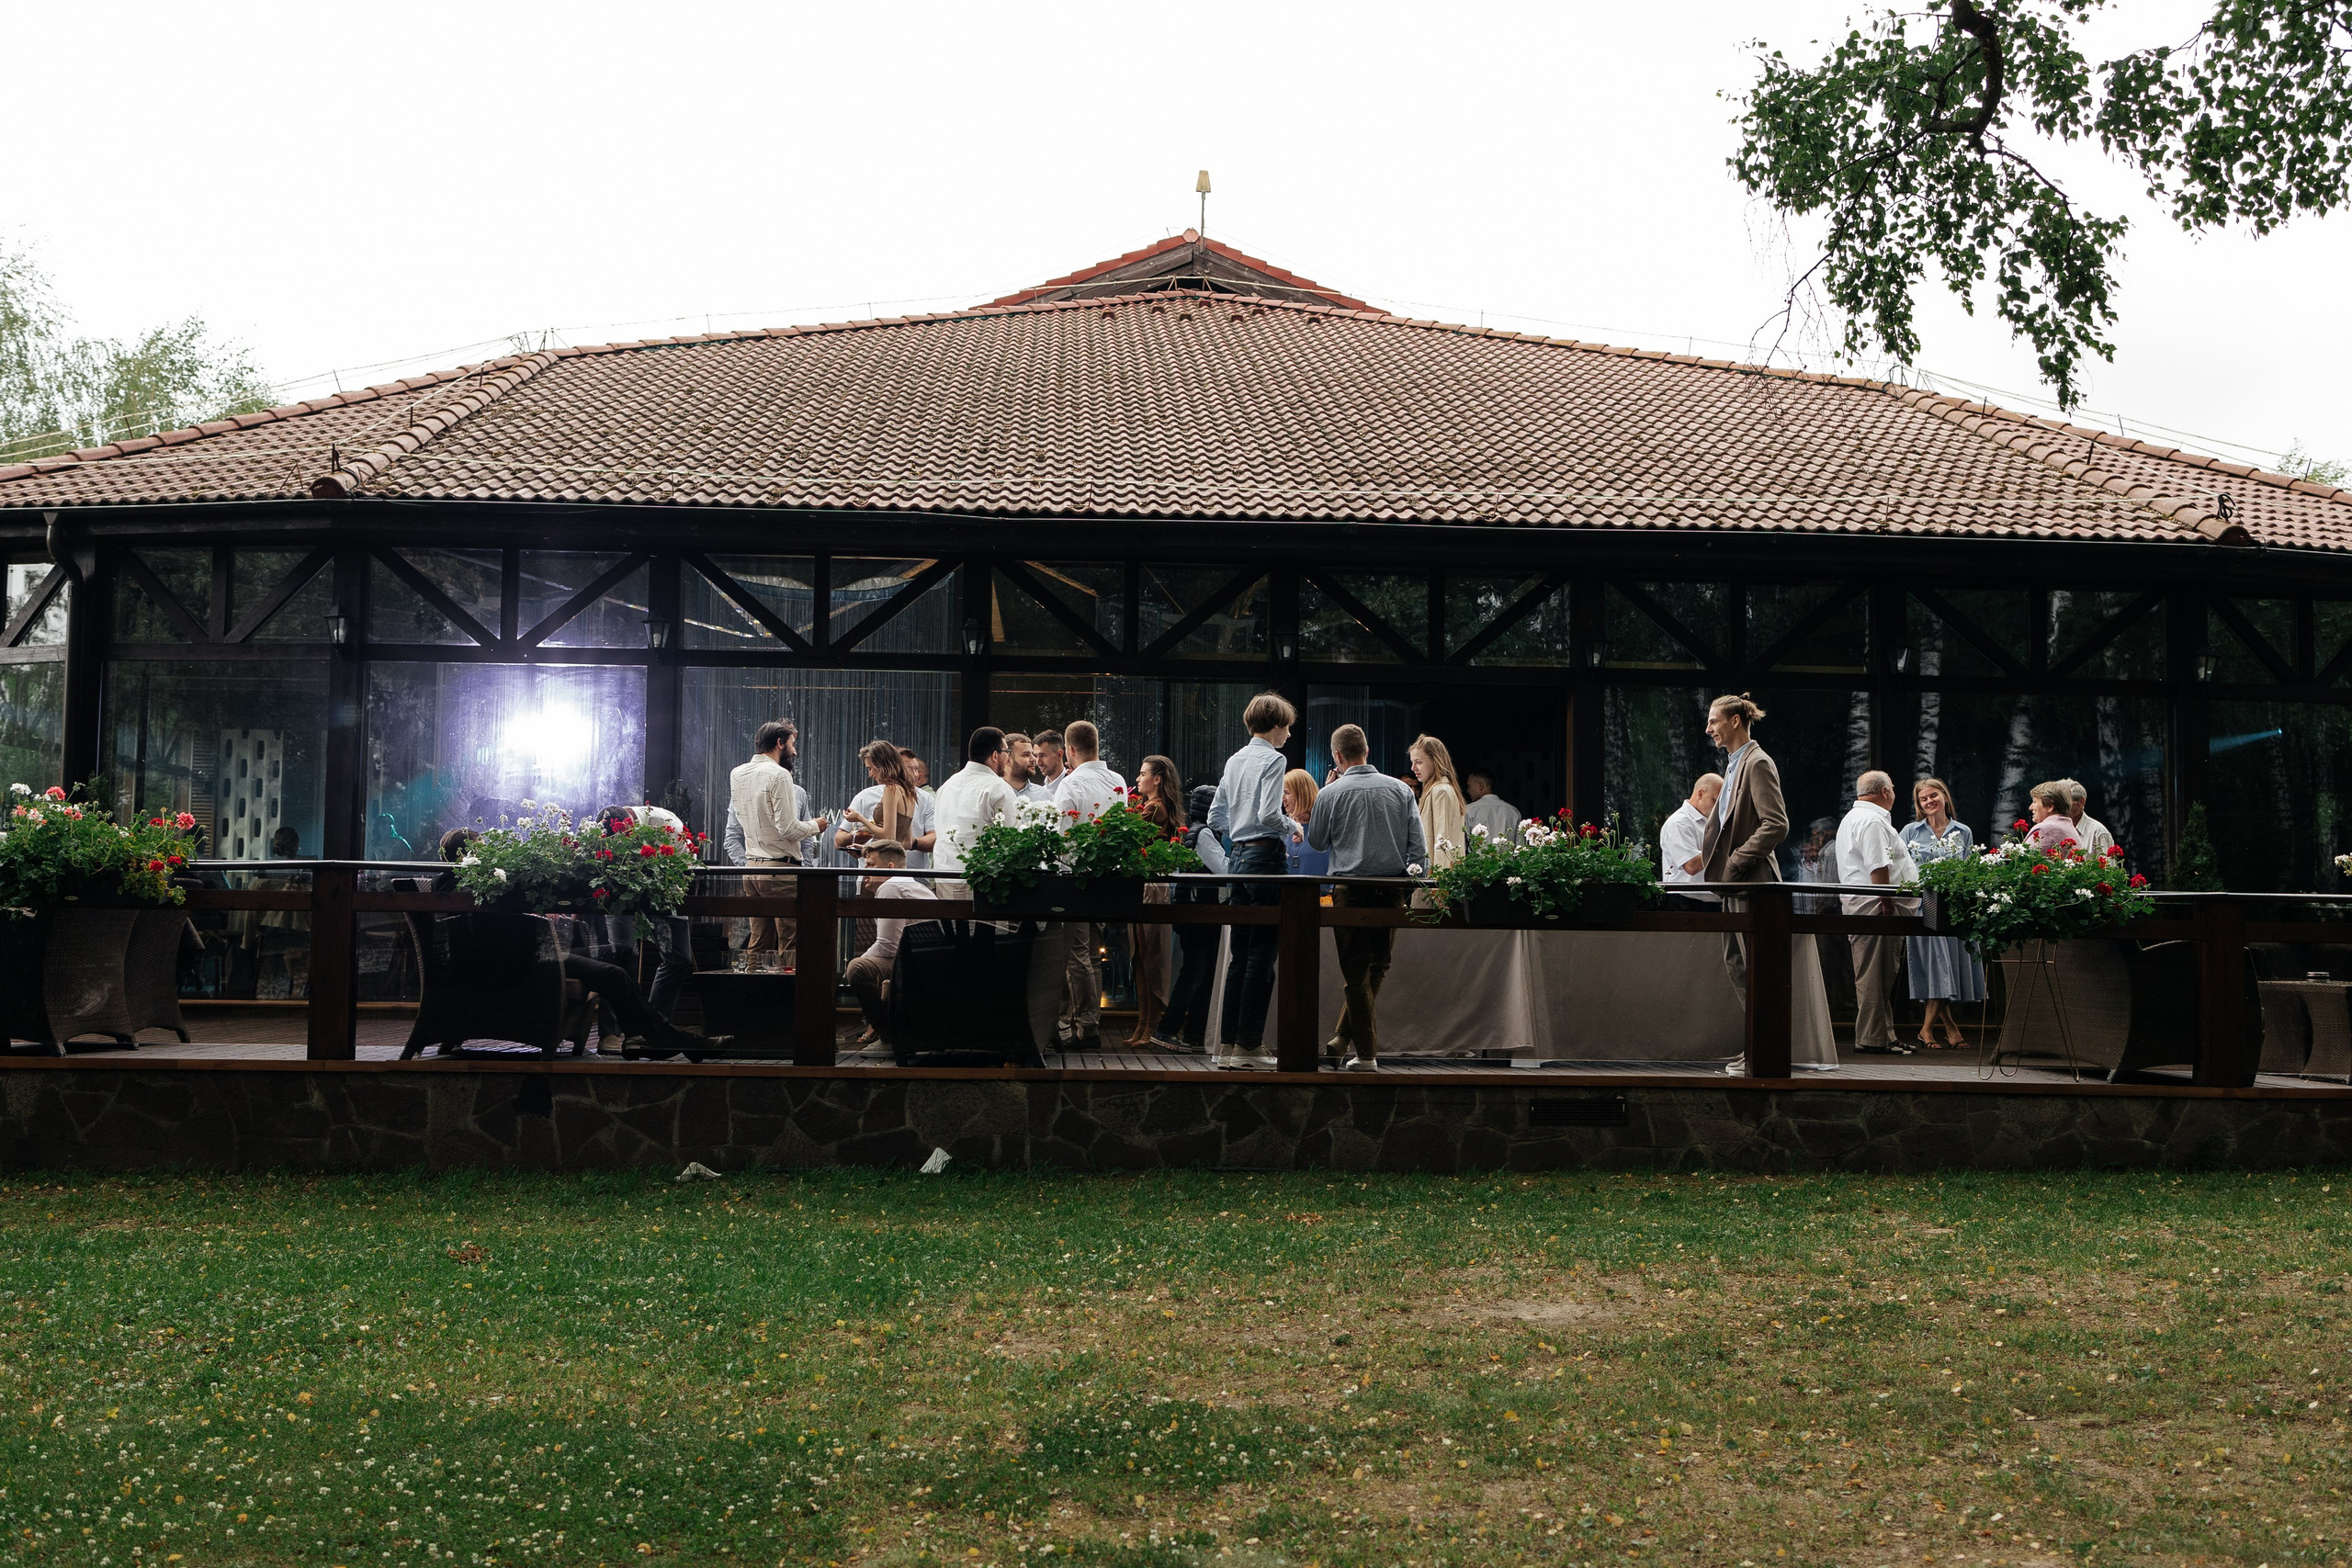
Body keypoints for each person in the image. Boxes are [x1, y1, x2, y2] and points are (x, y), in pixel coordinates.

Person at [431, 829, 718, 1057]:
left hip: (532, 952)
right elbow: (490, 921)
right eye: (482, 848)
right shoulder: (452, 884)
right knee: (613, 975)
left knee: (621, 951)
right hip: (525, 960)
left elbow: (498, 918)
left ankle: (634, 1036)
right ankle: (664, 1038)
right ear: (467, 854)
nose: (490, 854)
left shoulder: (474, 881)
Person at [1307, 722, 1426, 1072]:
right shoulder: (1401, 790)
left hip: (1349, 891)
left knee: (1356, 974)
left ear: (1337, 757)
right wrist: (1409, 888)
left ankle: (1366, 1054)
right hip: (1390, 890)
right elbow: (1418, 851)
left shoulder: (1330, 793)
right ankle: (1346, 1041)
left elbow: (1316, 842)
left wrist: (1324, 796)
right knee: (1378, 966)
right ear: (1367, 751)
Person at [1208, 692, 1295, 1065]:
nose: (1289, 733)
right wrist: (1293, 827)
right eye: (1288, 726)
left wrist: (1240, 835)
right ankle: (1248, 1045)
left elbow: (1215, 818)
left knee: (1240, 956)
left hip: (1239, 859)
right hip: (1265, 858)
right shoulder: (1274, 759)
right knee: (1262, 953)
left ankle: (1229, 1046)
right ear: (1275, 724)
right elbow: (1270, 813)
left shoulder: (1234, 760)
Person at [1699, 694, 1789, 1004]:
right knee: (1739, 968)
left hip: (1751, 884)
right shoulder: (1736, 764)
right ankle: (1754, 1049)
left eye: (1713, 721)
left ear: (1735, 721)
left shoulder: (1757, 762)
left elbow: (1776, 824)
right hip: (1734, 886)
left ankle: (1764, 1050)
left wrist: (1736, 862)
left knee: (1756, 970)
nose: (1708, 728)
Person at [727, 719, 831, 971]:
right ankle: (788, 1002)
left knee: (758, 941)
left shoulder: (737, 773)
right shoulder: (779, 774)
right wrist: (817, 825)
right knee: (791, 942)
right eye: (793, 744)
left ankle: (753, 996)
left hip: (751, 870)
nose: (794, 751)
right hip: (780, 872)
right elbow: (789, 829)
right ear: (779, 743)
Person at [1051, 719, 1128, 1047]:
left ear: (1069, 750)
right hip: (1109, 878)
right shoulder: (1119, 781)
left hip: (1075, 878)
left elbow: (1061, 838)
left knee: (1078, 954)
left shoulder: (1070, 785)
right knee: (1092, 954)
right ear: (1097, 745)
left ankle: (1087, 1029)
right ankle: (1089, 1025)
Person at [1834, 770, 1919, 1056]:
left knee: (1880, 974)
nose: (1894, 793)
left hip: (1871, 908)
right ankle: (1872, 1040)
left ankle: (1884, 1036)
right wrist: (1887, 902)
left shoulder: (1857, 818)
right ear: (1885, 792)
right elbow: (1878, 868)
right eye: (1892, 788)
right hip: (1877, 910)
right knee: (1874, 975)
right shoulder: (1871, 820)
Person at [1902, 776, 1984, 1049]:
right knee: (1936, 969)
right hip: (1923, 907)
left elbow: (1970, 869)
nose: (1929, 802)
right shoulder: (1911, 832)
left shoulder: (1963, 831)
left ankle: (1942, 1029)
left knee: (1944, 970)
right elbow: (1900, 868)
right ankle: (1934, 1030)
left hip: (1952, 911)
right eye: (1923, 799)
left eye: (1933, 796)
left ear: (1944, 797)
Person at [594, 800, 695, 1019]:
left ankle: (654, 1023)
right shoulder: (602, 829)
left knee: (679, 958)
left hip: (664, 889)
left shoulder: (666, 824)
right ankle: (615, 1031)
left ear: (629, 825)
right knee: (620, 952)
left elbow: (685, 865)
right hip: (620, 891)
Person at [842, 841, 939, 1045]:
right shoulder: (909, 884)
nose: (864, 871)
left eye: (871, 865)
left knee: (857, 968)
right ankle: (882, 1028)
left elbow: (888, 946)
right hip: (928, 958)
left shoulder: (891, 887)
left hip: (918, 962)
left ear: (890, 867)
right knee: (867, 964)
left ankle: (889, 1033)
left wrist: (858, 960)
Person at [1157, 782, 1227, 1051]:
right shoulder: (1206, 835)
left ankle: (1194, 1035)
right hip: (1200, 912)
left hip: (1194, 910)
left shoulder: (1196, 832)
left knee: (1202, 972)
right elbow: (1224, 869)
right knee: (1196, 972)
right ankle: (1167, 1030)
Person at [1124, 754, 1185, 1046]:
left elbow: (1125, 836)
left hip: (1151, 887)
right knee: (1141, 958)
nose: (1138, 779)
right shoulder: (1150, 806)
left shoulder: (1154, 808)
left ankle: (1151, 1025)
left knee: (1149, 958)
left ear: (1157, 779)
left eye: (1142, 773)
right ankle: (1143, 1023)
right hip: (1145, 886)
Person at [933, 726, 1020, 897]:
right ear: (995, 755)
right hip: (982, 884)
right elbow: (1012, 838)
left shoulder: (946, 785)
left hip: (944, 878)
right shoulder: (999, 788)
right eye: (1007, 752)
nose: (1008, 759)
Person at [839, 739, 919, 854]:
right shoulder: (909, 792)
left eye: (870, 768)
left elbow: (888, 836)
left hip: (881, 863)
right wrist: (867, 849)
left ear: (881, 766)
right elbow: (907, 843)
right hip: (895, 860)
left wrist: (860, 818)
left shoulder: (890, 790)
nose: (870, 774)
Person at [1658, 773, 1722, 908]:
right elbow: (1691, 866)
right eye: (1715, 800)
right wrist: (1723, 848)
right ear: (1700, 793)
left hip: (1707, 900)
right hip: (1686, 901)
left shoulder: (1710, 822)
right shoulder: (1678, 823)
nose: (1719, 807)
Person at [1409, 735, 1465, 869]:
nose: (1413, 768)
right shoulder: (1436, 790)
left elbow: (1443, 841)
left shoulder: (1441, 791)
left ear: (1435, 760)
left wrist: (1438, 883)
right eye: (1412, 762)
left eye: (1418, 762)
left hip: (1438, 877)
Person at [1283, 768, 1329, 876]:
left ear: (1302, 794)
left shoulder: (1325, 826)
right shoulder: (1283, 827)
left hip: (1321, 892)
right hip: (1286, 891)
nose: (1283, 798)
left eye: (1287, 793)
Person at [901, 750, 940, 869]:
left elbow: (935, 837)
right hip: (876, 875)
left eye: (916, 769)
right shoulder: (867, 796)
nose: (915, 774)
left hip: (917, 875)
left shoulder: (927, 798)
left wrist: (912, 842)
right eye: (910, 769)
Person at [2063, 778, 2115, 859]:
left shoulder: (2098, 833)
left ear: (2081, 802)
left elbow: (2109, 868)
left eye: (2066, 802)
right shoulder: (2057, 830)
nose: (2060, 807)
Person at [2023, 781, 2082, 852]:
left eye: (2035, 802)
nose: (2030, 807)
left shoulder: (2045, 829)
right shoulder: (2068, 827)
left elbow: (2023, 859)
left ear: (2050, 807)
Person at [1463, 772, 1521, 845]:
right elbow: (1520, 848)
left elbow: (1462, 845)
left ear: (1481, 786)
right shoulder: (1513, 811)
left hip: (1478, 856)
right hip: (1506, 856)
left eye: (1469, 786)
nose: (1467, 791)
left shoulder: (1469, 811)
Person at [1001, 732, 1055, 806]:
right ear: (1007, 760)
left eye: (1033, 754)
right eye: (1026, 755)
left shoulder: (1043, 795)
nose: (1033, 759)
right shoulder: (993, 794)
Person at [1032, 728, 1069, 796]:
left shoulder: (1074, 785)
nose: (1038, 762)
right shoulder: (1039, 792)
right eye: (1035, 756)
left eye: (1043, 755)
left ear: (1059, 754)